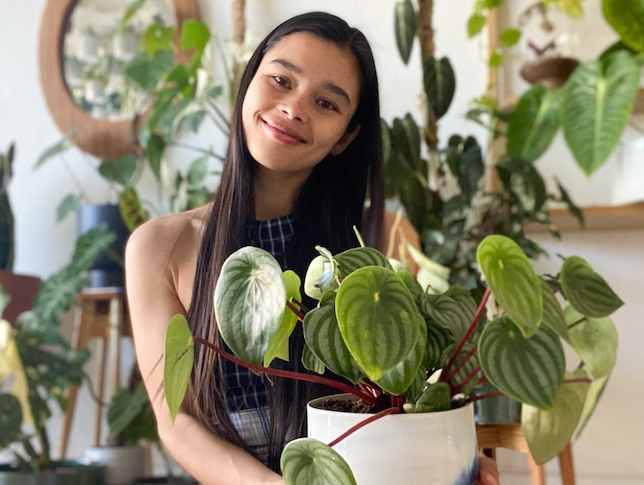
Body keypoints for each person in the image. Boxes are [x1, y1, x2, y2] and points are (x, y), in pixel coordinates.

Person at [125, 11, 500, 485]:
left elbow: (418, 390)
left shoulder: (379, 238)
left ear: (346, 136)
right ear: (249, 82)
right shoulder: (160, 246)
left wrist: (452, 453)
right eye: (281, 80)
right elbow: (175, 419)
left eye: (326, 103)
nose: (294, 108)